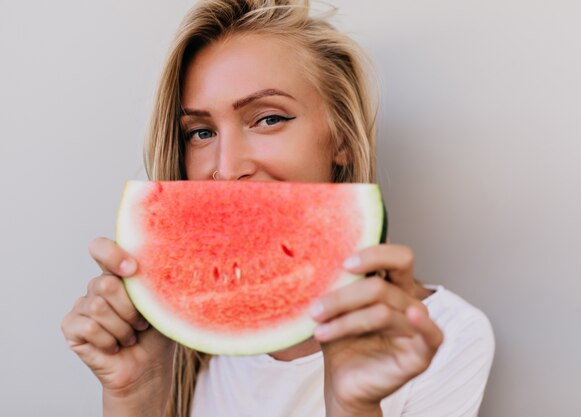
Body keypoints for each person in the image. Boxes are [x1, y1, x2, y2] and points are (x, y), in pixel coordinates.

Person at [61, 1, 495, 416]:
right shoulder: (164, 340)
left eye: (269, 119)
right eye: (200, 132)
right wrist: (135, 397)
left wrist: (354, 407)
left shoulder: (444, 335)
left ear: (342, 137)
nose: (227, 169)